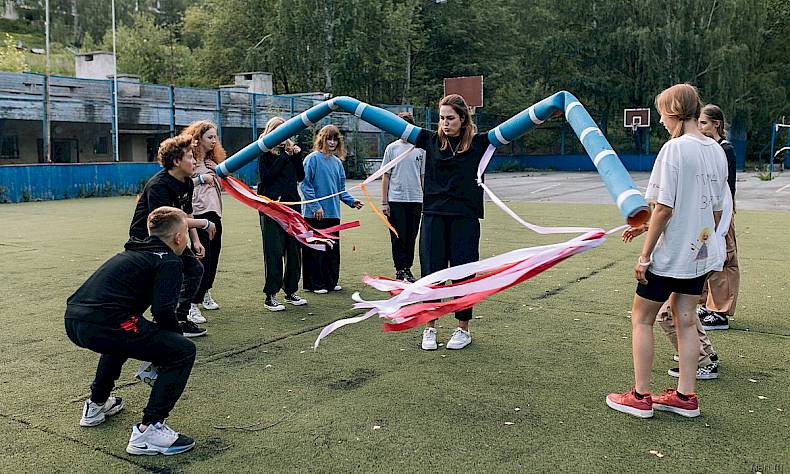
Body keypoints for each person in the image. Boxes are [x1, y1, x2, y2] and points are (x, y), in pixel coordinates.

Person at [607, 83, 729, 418]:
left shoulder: (673, 150)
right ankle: (686, 397)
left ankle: (640, 396)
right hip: (698, 254)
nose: (660, 119)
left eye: (662, 112)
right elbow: (714, 209)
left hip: (669, 256)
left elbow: (664, 208)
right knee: (687, 320)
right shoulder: (716, 150)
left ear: (674, 110)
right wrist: (652, 227)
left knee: (641, 318)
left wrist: (645, 255)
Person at [66, 206, 197, 456]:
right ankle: (149, 431)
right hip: (105, 322)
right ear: (179, 237)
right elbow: (163, 310)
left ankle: (96, 405)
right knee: (183, 351)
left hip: (74, 320)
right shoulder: (168, 260)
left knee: (120, 340)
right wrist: (172, 342)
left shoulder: (135, 250)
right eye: (187, 234)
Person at [416, 94, 492, 351]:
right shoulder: (429, 140)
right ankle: (429, 328)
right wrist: (351, 105)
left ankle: (463, 330)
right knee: (431, 273)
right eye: (441, 118)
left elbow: (514, 128)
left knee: (463, 275)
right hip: (433, 216)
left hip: (465, 218)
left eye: (450, 118)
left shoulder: (479, 143)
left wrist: (547, 110)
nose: (445, 123)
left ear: (462, 118)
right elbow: (391, 124)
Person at [129, 134, 215, 338]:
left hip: (171, 238)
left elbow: (187, 212)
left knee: (194, 268)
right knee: (159, 278)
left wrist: (195, 241)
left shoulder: (187, 182)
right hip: (147, 240)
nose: (194, 162)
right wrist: (204, 223)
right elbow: (166, 222)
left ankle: (181, 318)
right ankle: (145, 321)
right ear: (177, 161)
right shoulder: (159, 185)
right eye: (189, 157)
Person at [300, 125, 363, 294]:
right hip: (314, 215)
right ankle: (314, 284)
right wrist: (316, 207)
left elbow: (340, 189)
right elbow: (305, 186)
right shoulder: (311, 159)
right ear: (322, 139)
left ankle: (330, 281)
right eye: (329, 138)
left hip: (333, 214)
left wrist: (352, 201)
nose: (332, 142)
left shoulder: (337, 163)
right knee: (315, 249)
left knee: (332, 249)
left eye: (335, 139)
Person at [257, 117, 308, 311]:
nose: (281, 136)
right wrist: (285, 156)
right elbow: (267, 177)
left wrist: (295, 156)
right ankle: (271, 295)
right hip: (272, 207)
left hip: (293, 206)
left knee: (294, 250)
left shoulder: (290, 151)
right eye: (278, 131)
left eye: (284, 131)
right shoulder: (263, 151)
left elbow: (300, 176)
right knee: (274, 251)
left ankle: (291, 290)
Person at [696, 104, 739, 330]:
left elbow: (725, 188)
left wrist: (723, 216)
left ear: (716, 124)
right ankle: (705, 303)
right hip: (704, 210)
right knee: (703, 255)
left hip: (721, 211)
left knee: (725, 257)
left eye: (703, 123)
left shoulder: (725, 149)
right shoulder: (704, 147)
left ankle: (720, 312)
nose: (699, 127)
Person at [182, 121, 226, 324]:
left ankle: (206, 292)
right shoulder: (189, 161)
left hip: (215, 213)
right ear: (198, 138)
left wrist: (216, 171)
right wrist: (201, 178)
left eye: (215, 137)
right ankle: (191, 304)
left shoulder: (211, 163)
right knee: (202, 258)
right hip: (198, 215)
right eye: (210, 137)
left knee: (214, 257)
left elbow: (223, 185)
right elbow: (180, 185)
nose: (214, 141)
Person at [381, 111, 426, 283]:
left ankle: (408, 268)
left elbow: (422, 176)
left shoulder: (420, 149)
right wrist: (385, 202)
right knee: (398, 236)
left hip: (415, 199)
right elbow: (386, 175)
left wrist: (425, 198)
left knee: (411, 235)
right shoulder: (391, 149)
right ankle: (399, 269)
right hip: (396, 200)